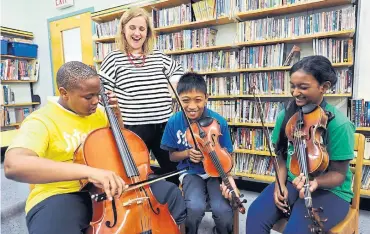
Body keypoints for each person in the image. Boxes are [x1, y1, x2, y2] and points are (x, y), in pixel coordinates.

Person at [4, 61, 186, 234]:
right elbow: (14, 165)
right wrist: (88, 172)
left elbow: (125, 147)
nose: (95, 101)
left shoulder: (99, 112)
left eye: (98, 94)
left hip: (111, 189)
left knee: (170, 194)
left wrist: (117, 117)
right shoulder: (41, 120)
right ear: (64, 92)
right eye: (88, 96)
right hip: (61, 193)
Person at [246, 55, 355, 234]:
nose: (296, 92)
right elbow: (281, 155)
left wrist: (315, 182)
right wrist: (279, 184)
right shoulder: (286, 116)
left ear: (324, 87)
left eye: (303, 87)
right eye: (293, 86)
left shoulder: (340, 124)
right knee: (256, 214)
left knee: (296, 229)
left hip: (331, 190)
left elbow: (338, 174)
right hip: (292, 181)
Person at [98, 7, 182, 185]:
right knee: (134, 173)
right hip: (133, 127)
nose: (137, 33)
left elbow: (179, 74)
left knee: (172, 171)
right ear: (123, 30)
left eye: (142, 29)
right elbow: (101, 88)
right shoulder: (114, 58)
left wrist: (170, 89)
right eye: (132, 28)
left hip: (164, 126)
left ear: (148, 33)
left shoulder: (158, 56)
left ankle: (175, 209)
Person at [160, 72, 239, 234]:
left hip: (216, 173)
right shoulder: (174, 122)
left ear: (206, 98)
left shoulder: (218, 122)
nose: (192, 106)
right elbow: (172, 155)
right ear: (178, 99)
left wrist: (227, 176)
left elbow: (228, 155)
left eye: (198, 100)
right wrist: (187, 153)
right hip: (190, 173)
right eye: (185, 100)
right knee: (194, 207)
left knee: (222, 211)